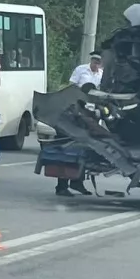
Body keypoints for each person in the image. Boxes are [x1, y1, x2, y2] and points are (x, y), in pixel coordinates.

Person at [55, 52, 103, 197]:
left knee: (83, 148)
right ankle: (62, 185)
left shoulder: (102, 74)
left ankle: (77, 181)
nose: (95, 63)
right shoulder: (81, 70)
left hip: (91, 113)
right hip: (76, 110)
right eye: (94, 60)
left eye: (98, 61)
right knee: (68, 148)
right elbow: (71, 88)